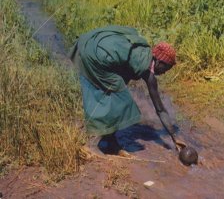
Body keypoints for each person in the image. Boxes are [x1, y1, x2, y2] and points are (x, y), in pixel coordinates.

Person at [68, 25, 186, 157]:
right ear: (158, 61)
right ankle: (93, 144)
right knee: (121, 101)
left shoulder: (144, 52)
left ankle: (110, 141)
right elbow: (160, 109)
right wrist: (174, 137)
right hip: (94, 56)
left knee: (115, 93)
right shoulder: (148, 72)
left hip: (91, 43)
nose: (164, 72)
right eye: (166, 68)